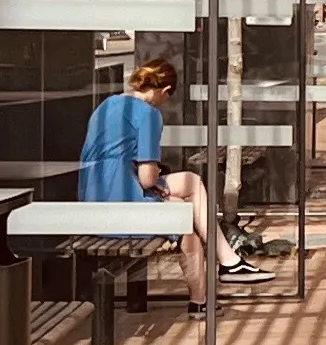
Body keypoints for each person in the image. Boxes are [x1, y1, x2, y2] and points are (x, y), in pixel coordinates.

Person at [77, 58, 257, 319]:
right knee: (186, 219)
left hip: (93, 196)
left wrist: (160, 187)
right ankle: (209, 289)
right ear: (164, 91)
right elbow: (148, 178)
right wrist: (159, 184)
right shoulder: (148, 114)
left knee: (189, 188)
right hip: (121, 202)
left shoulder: (108, 104)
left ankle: (225, 265)